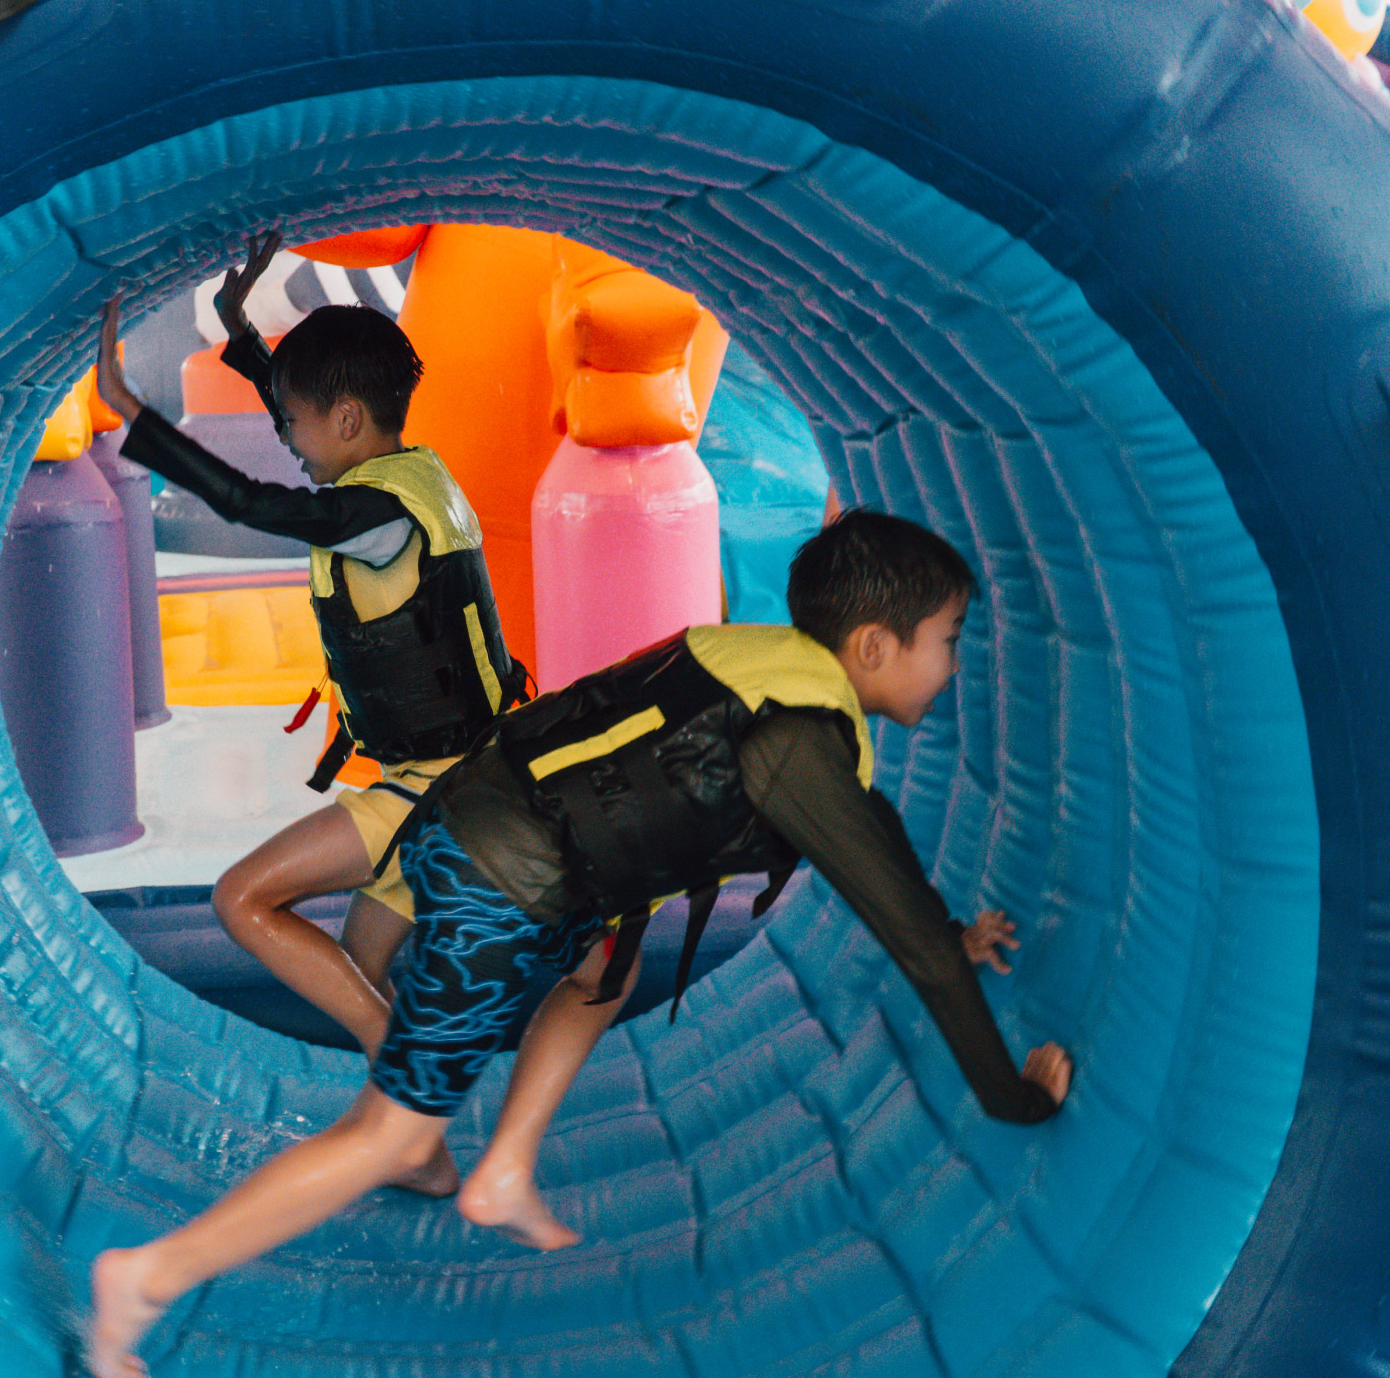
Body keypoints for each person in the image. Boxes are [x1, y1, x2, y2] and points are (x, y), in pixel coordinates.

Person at [85, 508, 1073, 1378]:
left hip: (488, 822)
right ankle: (148, 1274)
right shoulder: (797, 741)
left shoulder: (758, 660)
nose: (952, 661)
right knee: (391, 1132)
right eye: (947, 639)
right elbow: (912, 944)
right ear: (870, 645)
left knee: (607, 965)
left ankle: (504, 1169)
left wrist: (949, 921)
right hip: (498, 880)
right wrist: (1012, 1098)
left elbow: (871, 834)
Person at [95, 237, 526, 1122]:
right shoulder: (415, 477)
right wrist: (237, 326)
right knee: (358, 971)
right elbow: (305, 425)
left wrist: (133, 414)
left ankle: (409, 1094)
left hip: (433, 792)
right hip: (469, 771)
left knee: (244, 900)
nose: (289, 444)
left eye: (294, 427)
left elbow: (255, 502)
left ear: (346, 424)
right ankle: (407, 1139)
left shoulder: (371, 516)